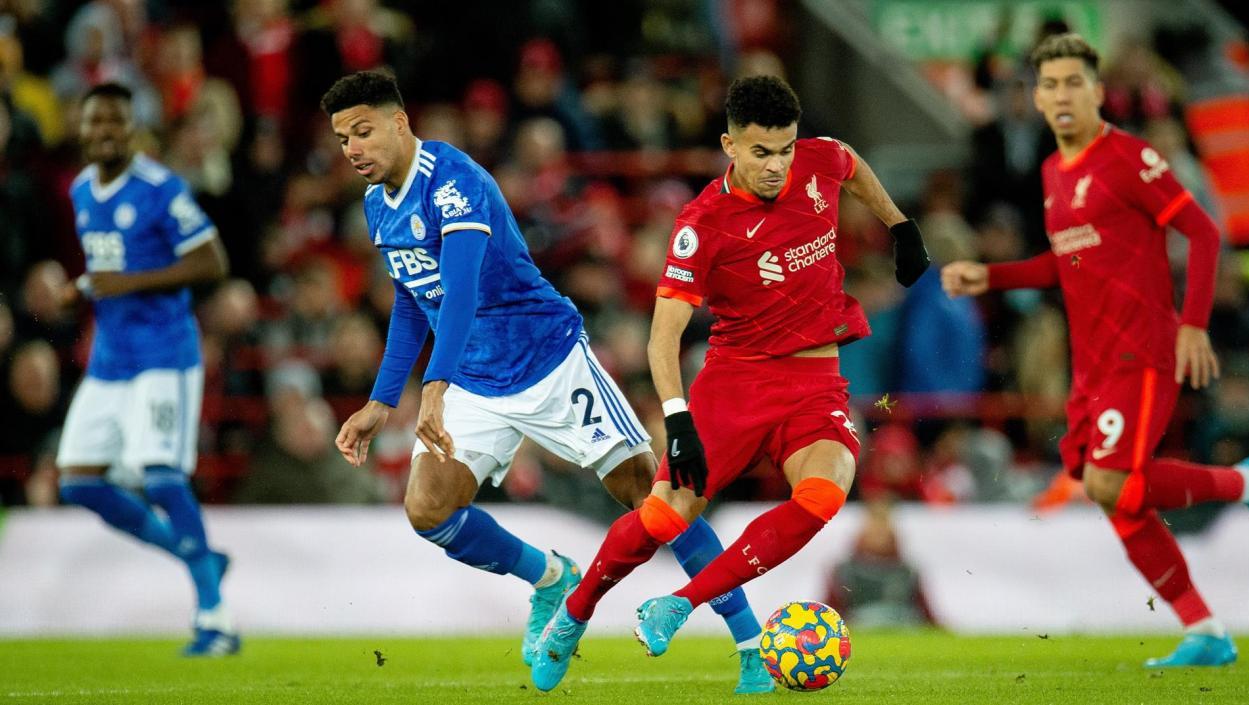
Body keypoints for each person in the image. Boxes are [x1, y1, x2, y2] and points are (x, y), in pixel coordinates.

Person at [322, 71, 774, 694]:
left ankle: (750, 644)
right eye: (343, 137)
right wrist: (379, 400)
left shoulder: (455, 182)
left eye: (363, 131)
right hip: (475, 381)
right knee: (427, 509)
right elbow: (412, 298)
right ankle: (551, 578)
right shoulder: (378, 205)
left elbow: (460, 292)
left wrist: (431, 388)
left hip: (549, 362)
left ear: (400, 122)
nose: (352, 148)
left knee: (651, 495)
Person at [531, 75, 930, 691]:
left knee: (823, 496)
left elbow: (850, 163)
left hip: (815, 380)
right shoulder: (702, 224)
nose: (777, 167)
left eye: (786, 150)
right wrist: (677, 417)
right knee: (665, 516)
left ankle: (678, 604)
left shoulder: (817, 160)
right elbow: (662, 338)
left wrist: (901, 226)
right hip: (734, 384)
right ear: (729, 145)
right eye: (760, 153)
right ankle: (575, 611)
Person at [942, 34, 1249, 668]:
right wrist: (993, 275)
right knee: (1110, 496)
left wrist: (1192, 324)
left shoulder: (1128, 157)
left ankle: (1246, 480)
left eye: (1073, 82)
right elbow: (1067, 263)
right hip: (1090, 367)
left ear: (1096, 90)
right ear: (1036, 96)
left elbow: (1200, 230)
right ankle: (1205, 631)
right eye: (1050, 84)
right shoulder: (1054, 171)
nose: (1061, 94)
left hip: (1141, 351)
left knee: (1113, 481)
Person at [55, 82, 237, 656]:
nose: (103, 131)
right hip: (111, 360)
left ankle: (215, 618)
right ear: (81, 128)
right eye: (94, 122)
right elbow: (110, 266)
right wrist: (81, 288)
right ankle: (200, 556)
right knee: (79, 482)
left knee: (161, 477)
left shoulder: (161, 188)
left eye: (114, 122)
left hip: (164, 355)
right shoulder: (82, 190)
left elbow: (213, 262)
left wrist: (126, 283)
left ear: (131, 130)